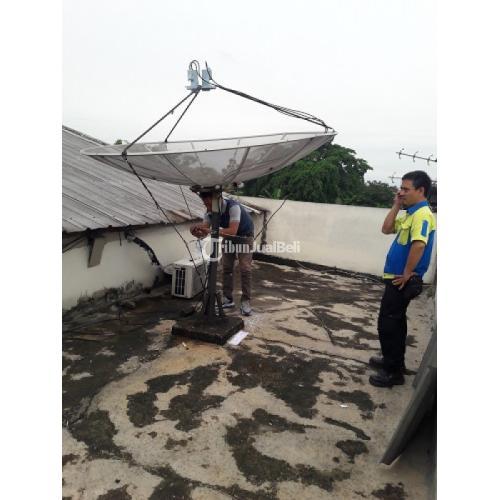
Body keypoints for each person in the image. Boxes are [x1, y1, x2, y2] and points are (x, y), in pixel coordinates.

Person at [369, 170, 436, 388]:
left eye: (406, 189)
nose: (401, 192)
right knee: (395, 323)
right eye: (401, 188)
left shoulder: (422, 214)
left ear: (421, 190)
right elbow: (386, 229)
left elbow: (419, 244)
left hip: (402, 280)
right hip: (396, 278)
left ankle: (392, 372)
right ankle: (393, 362)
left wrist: (407, 272)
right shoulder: (410, 213)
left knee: (388, 324)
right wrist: (396, 205)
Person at [190, 192, 254, 316]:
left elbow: (233, 231)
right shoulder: (210, 212)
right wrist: (196, 231)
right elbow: (205, 231)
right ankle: (227, 299)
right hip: (229, 239)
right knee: (227, 268)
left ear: (218, 200)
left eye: (209, 204)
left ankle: (246, 301)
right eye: (205, 204)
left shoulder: (233, 207)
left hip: (244, 237)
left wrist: (209, 230)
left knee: (245, 269)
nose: (208, 207)